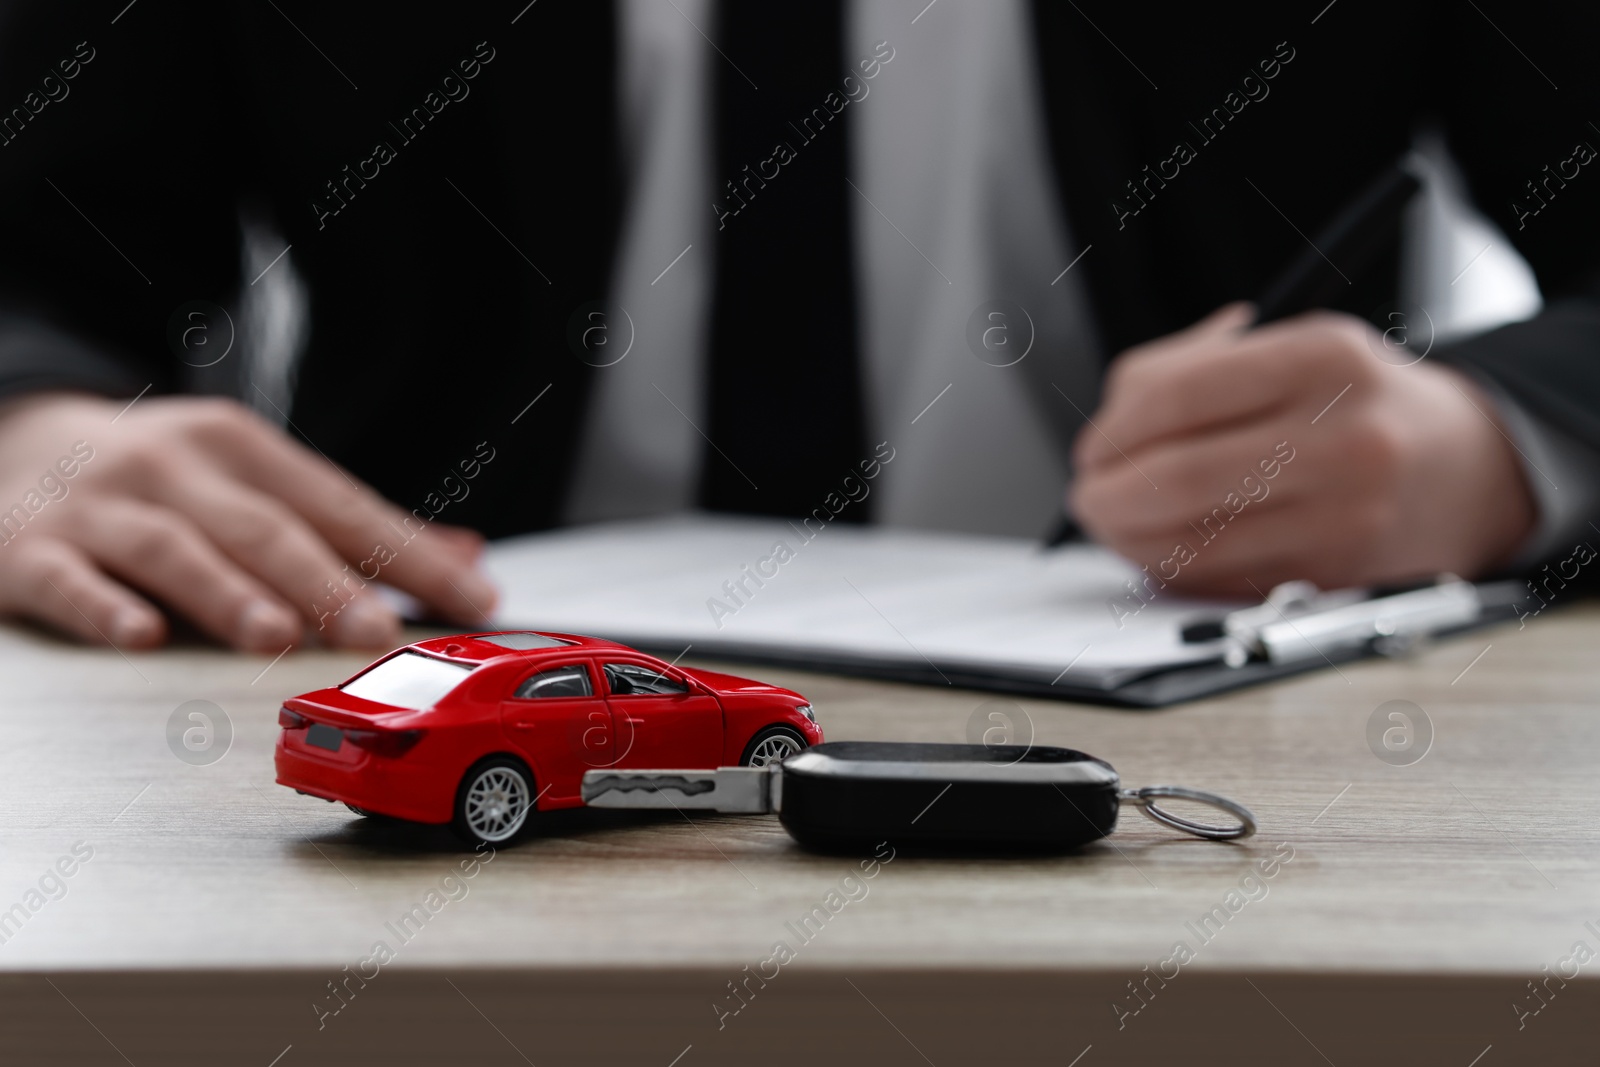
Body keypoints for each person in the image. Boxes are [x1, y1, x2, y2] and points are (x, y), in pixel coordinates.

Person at [0, 0, 1594, 652]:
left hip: (1216, 715)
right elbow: (40, 250)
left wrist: (1508, 445)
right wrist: (33, 427)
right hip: (422, 673)